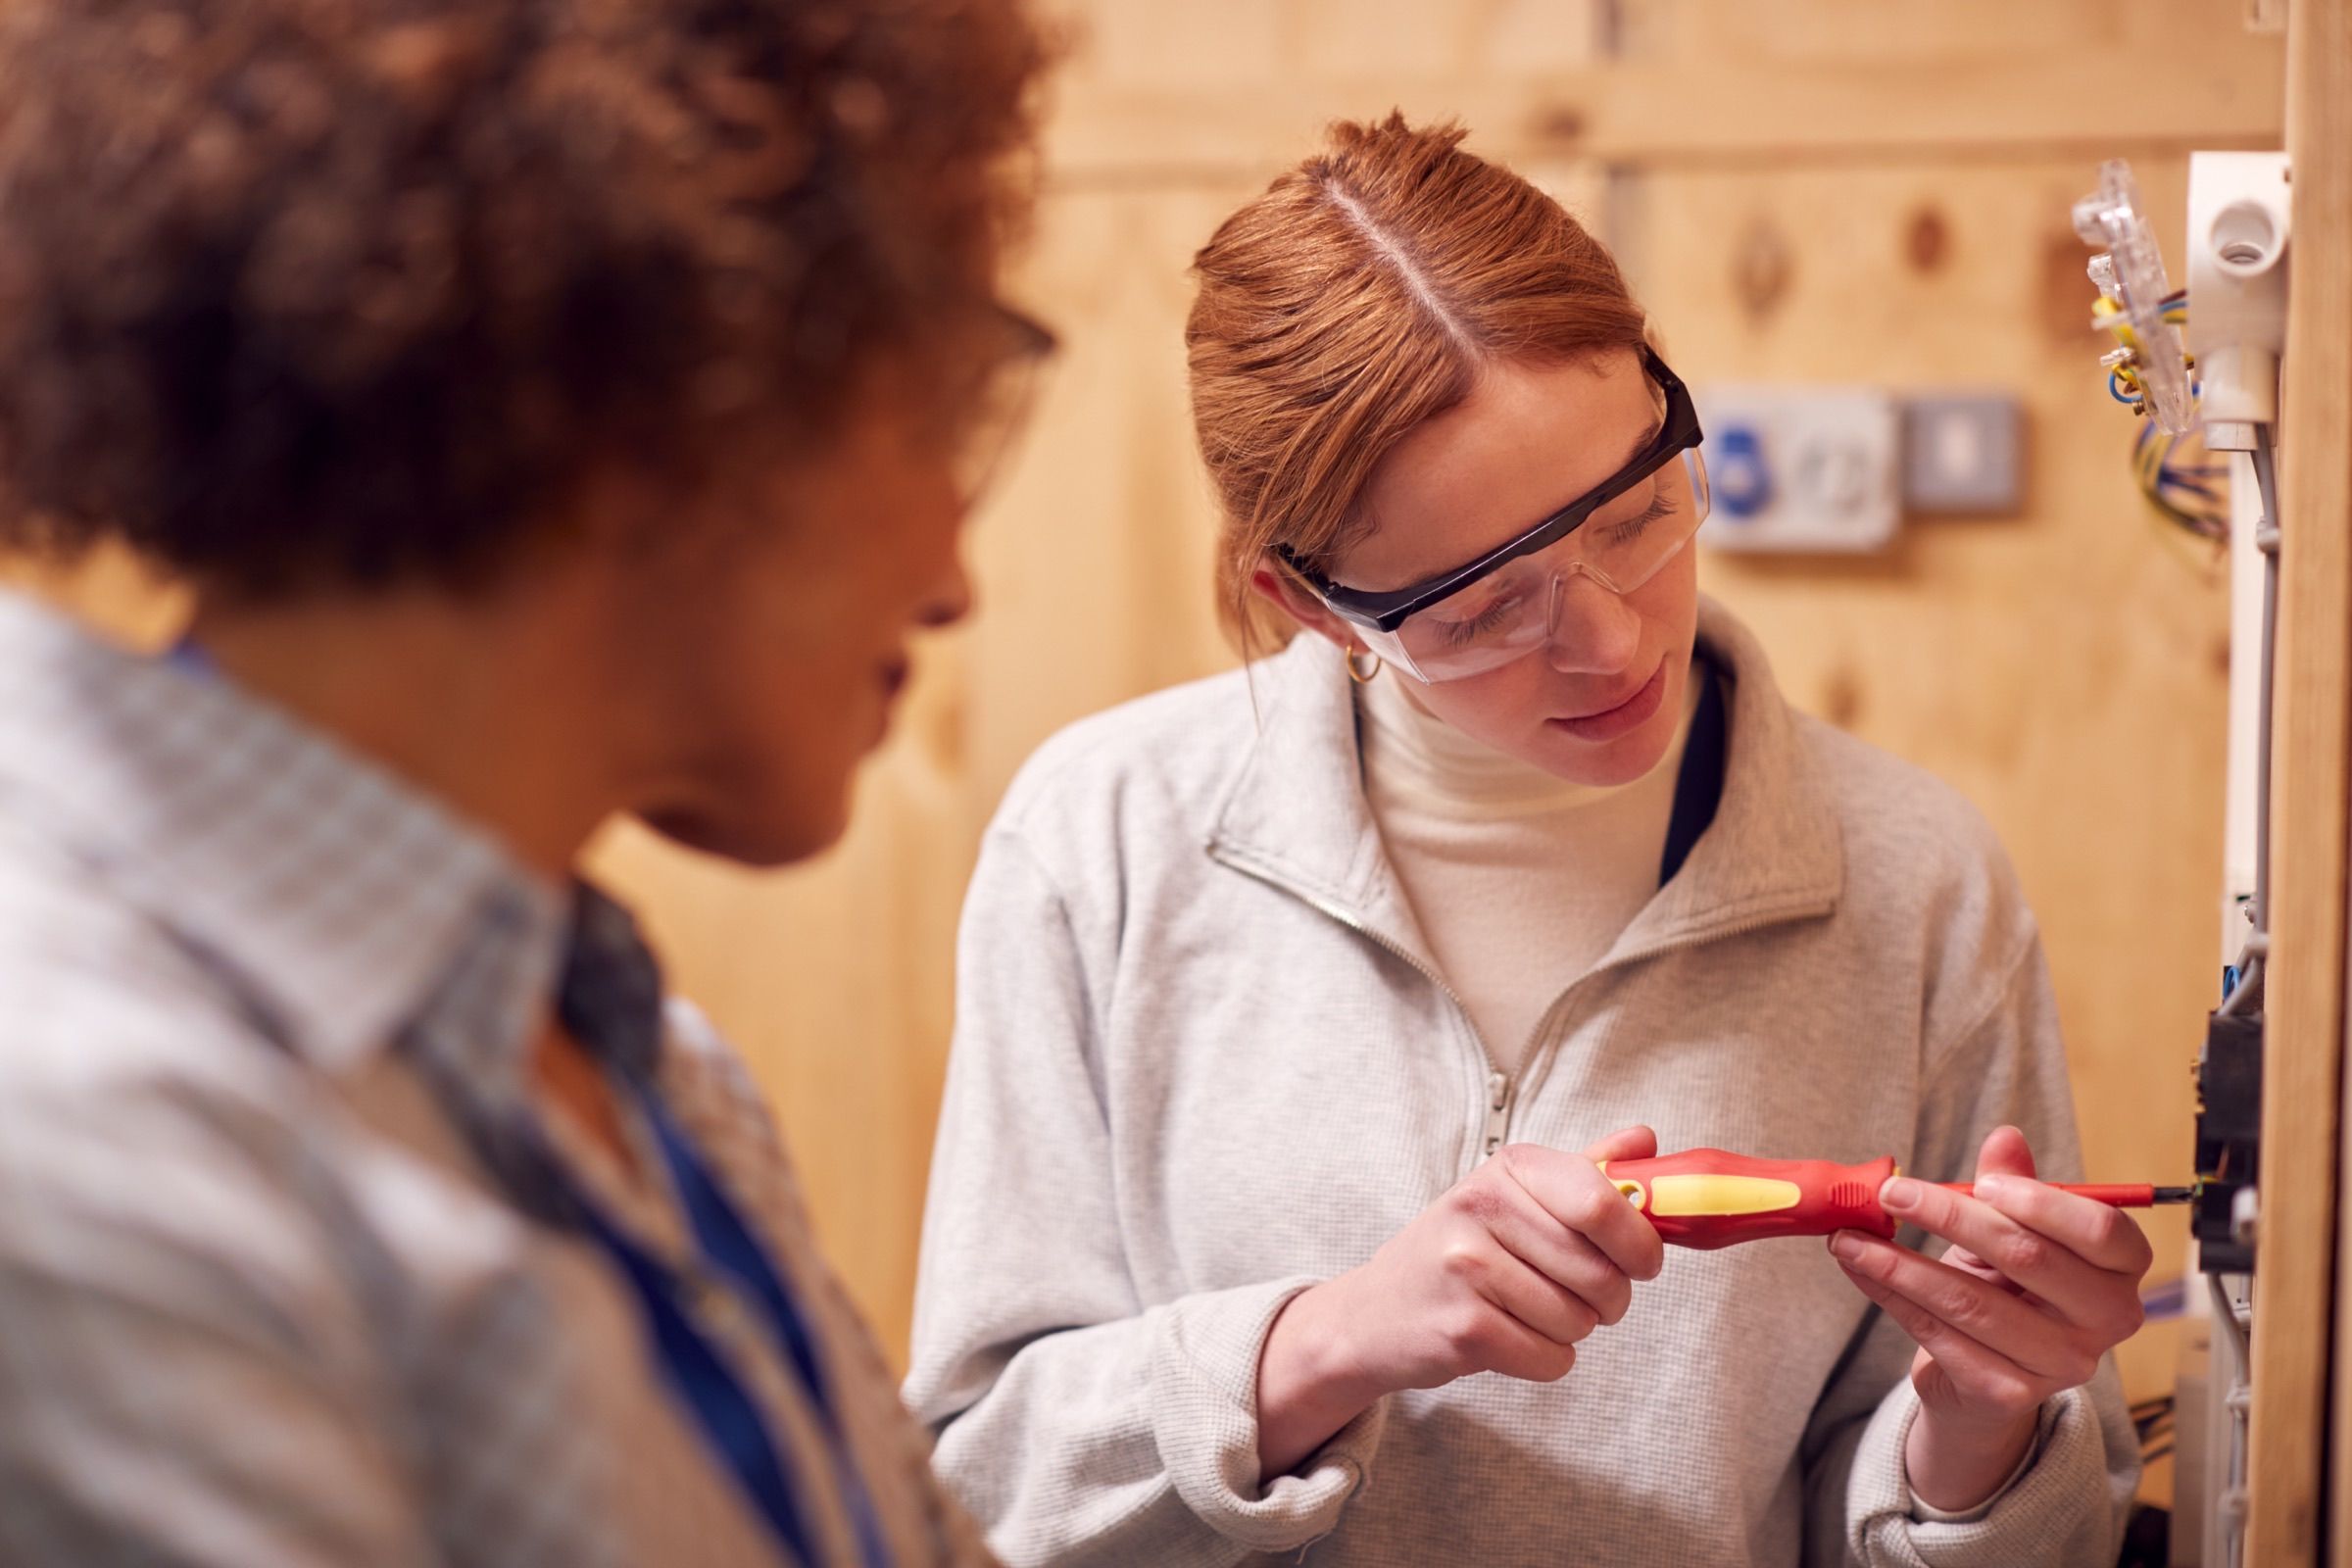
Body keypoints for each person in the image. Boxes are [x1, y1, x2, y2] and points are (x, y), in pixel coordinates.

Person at [906, 117, 2146, 1567]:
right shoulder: (1102, 845)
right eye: (1486, 607)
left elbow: (1996, 1522)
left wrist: (1986, 1431)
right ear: (1308, 604)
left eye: (1636, 513)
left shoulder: (1916, 882)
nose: (1613, 639)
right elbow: (976, 1490)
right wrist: (1326, 1342)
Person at [0, 1, 1045, 1563]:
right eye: (941, 403)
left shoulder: (654, 1071)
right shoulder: (86, 1133)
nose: (954, 575)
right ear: (676, 380)